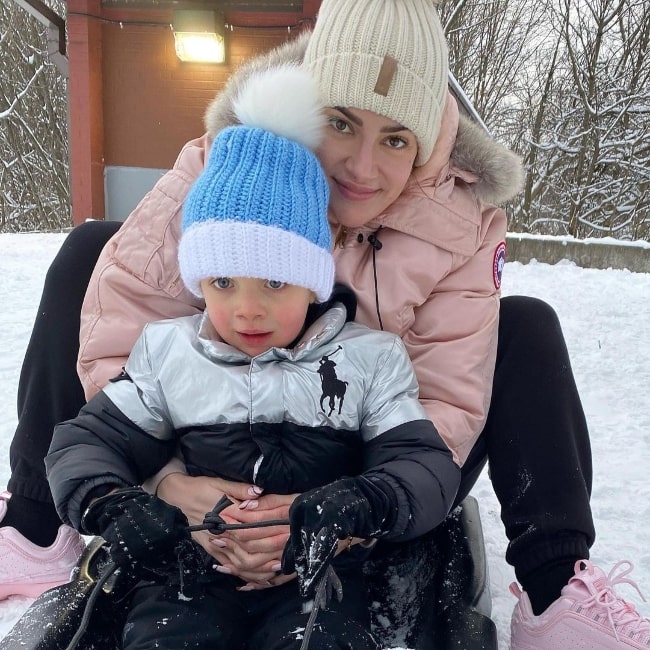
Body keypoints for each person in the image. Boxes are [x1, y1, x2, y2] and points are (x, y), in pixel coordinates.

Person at [2, 0, 647, 646]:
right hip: (218, 440)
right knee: (91, 251)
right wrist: (167, 482)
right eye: (341, 123)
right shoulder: (234, 169)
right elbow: (127, 335)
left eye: (395, 139)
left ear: (424, 145)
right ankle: (34, 528)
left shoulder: (460, 217)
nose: (362, 167)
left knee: (527, 326)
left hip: (364, 462)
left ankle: (556, 586)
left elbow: (447, 399)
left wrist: (344, 509)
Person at [45, 64, 461, 650]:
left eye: (273, 284)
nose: (246, 311)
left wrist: (358, 503)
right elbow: (84, 443)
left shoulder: (367, 361)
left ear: (312, 282)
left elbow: (425, 465)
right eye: (222, 283)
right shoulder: (171, 354)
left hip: (318, 573)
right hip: (189, 567)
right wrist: (114, 504)